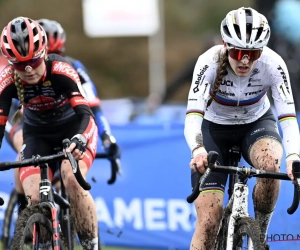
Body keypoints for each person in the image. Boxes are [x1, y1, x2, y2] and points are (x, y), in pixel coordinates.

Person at [184, 7, 300, 249]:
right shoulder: (208, 62)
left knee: (270, 164)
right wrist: (197, 150)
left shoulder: (273, 64)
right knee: (208, 223)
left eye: (253, 53)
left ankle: (260, 234)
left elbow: (288, 118)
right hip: (214, 129)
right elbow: (193, 116)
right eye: (237, 52)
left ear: (262, 51)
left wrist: (294, 157)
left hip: (256, 124)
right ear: (226, 45)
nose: (245, 60)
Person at [0, 16, 104, 249]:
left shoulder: (61, 70)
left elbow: (86, 115)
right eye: (19, 65)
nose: (28, 70)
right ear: (10, 63)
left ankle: (91, 245)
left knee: (71, 177)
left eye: (34, 62)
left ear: (45, 52)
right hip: (37, 136)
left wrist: (79, 139)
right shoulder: (6, 81)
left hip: (74, 128)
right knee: (34, 197)